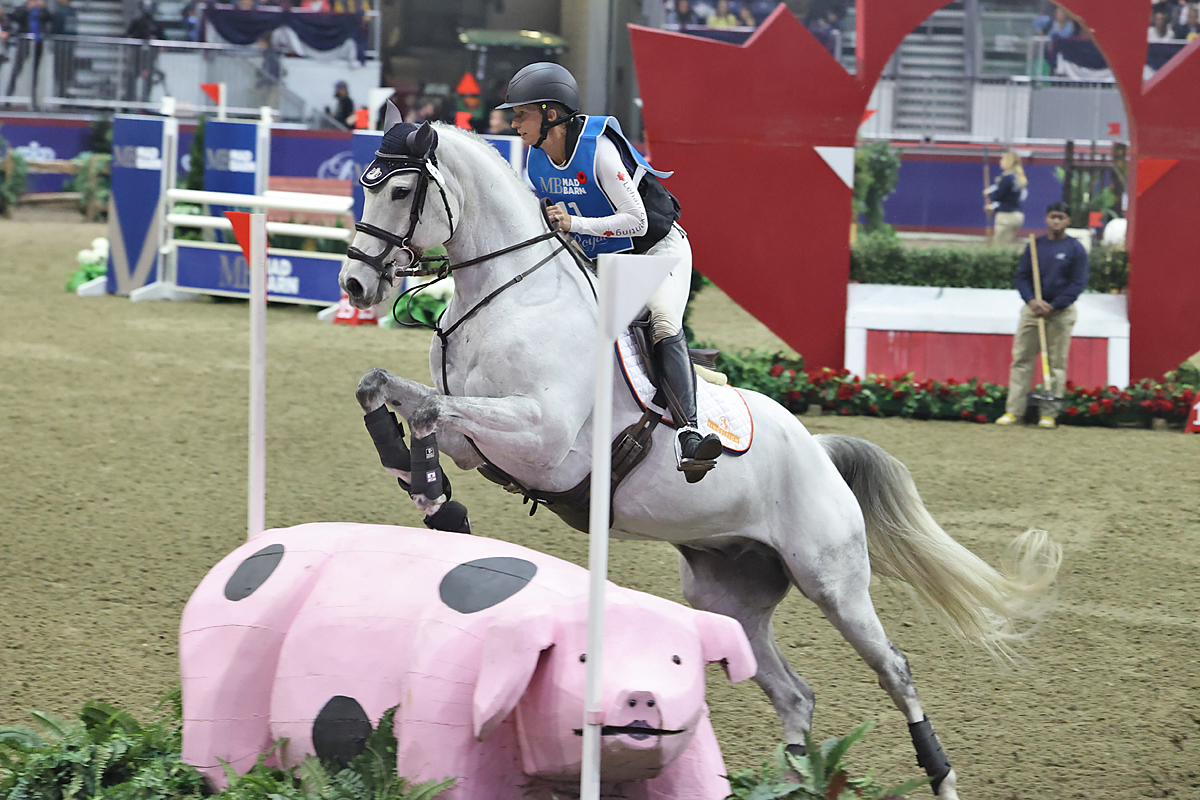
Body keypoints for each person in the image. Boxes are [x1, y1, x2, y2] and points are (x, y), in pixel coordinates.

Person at [498, 62, 724, 480]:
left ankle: (690, 434)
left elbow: (636, 222)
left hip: (657, 252)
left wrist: (573, 224)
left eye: (521, 113)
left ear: (551, 114)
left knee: (660, 321)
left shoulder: (598, 150)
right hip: (602, 262)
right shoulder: (536, 161)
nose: (512, 123)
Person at [995, 202, 1089, 429]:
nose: (1056, 221)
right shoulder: (1035, 246)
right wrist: (1032, 301)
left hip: (1060, 313)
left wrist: (1054, 306)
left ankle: (1049, 414)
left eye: (1061, 217)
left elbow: (1078, 283)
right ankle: (1013, 411)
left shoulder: (1075, 249)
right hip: (1032, 312)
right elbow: (1022, 277)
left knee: (1056, 364)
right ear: (1046, 219)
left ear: (1068, 221)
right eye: (1053, 217)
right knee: (1021, 360)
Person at [5, 0, 48, 100]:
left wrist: (43, 8)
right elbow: (15, 17)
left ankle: (34, 97)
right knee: (17, 68)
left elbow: (48, 18)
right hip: (24, 42)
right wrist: (27, 8)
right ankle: (9, 94)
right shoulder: (22, 9)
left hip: (38, 42)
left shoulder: (41, 11)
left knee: (36, 71)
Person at [984, 150, 1028, 246]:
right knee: (1008, 244)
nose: (1000, 161)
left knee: (999, 246)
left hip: (1006, 217)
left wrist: (988, 194)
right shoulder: (1017, 178)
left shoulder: (1007, 178)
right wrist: (994, 207)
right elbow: (1010, 198)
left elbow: (998, 196)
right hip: (1017, 215)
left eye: (1002, 159)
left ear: (1009, 161)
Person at [123, 0, 164, 103]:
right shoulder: (137, 22)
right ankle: (130, 97)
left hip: (150, 57)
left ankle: (146, 98)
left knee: (148, 77)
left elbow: (163, 38)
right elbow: (128, 34)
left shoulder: (156, 24)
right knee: (132, 75)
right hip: (136, 55)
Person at [51, 0, 77, 99]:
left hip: (62, 46)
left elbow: (55, 29)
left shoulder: (61, 12)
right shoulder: (73, 12)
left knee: (61, 72)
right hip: (69, 46)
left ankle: (62, 94)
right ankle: (65, 93)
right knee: (67, 72)